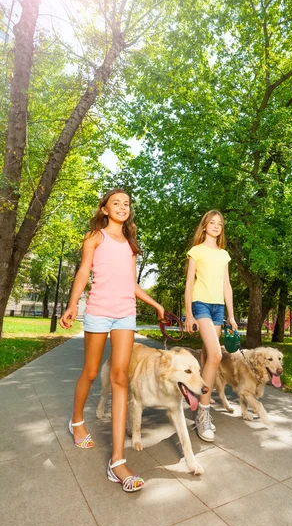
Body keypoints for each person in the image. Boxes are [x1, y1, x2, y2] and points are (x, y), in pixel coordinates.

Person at [60, 188, 165, 492]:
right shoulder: (95, 237)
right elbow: (83, 272)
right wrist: (72, 304)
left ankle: (117, 462)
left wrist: (156, 305)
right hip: (99, 310)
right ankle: (77, 421)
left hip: (125, 314)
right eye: (116, 203)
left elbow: (132, 284)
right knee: (92, 372)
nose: (122, 206)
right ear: (104, 209)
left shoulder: (130, 244)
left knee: (120, 377)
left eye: (126, 203)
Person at [184, 210, 238, 442]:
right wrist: (188, 314)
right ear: (204, 226)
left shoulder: (224, 254)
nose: (216, 226)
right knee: (216, 355)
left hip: (218, 309)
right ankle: (203, 415)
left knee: (208, 357)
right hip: (201, 305)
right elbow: (189, 284)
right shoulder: (196, 251)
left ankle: (196, 394)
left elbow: (227, 286)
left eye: (220, 223)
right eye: (211, 223)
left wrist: (232, 316)